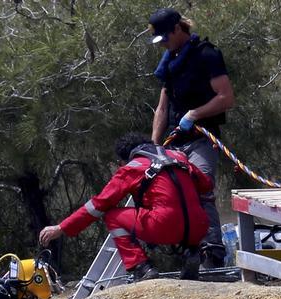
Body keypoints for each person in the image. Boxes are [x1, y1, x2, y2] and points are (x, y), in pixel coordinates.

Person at [39, 132, 213, 281]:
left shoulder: (131, 168)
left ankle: (142, 268)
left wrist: (61, 228)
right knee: (188, 212)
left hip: (164, 225)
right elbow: (206, 185)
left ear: (124, 158)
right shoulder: (179, 157)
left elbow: (97, 205)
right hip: (200, 226)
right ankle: (192, 253)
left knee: (112, 216)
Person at [148, 8, 235, 268]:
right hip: (175, 142)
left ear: (177, 29)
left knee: (201, 187)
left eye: (165, 38)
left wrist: (195, 114)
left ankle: (213, 251)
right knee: (170, 193)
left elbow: (226, 98)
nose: (162, 44)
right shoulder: (171, 61)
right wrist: (154, 144)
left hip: (201, 138)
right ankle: (188, 252)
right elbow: (162, 107)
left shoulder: (207, 55)